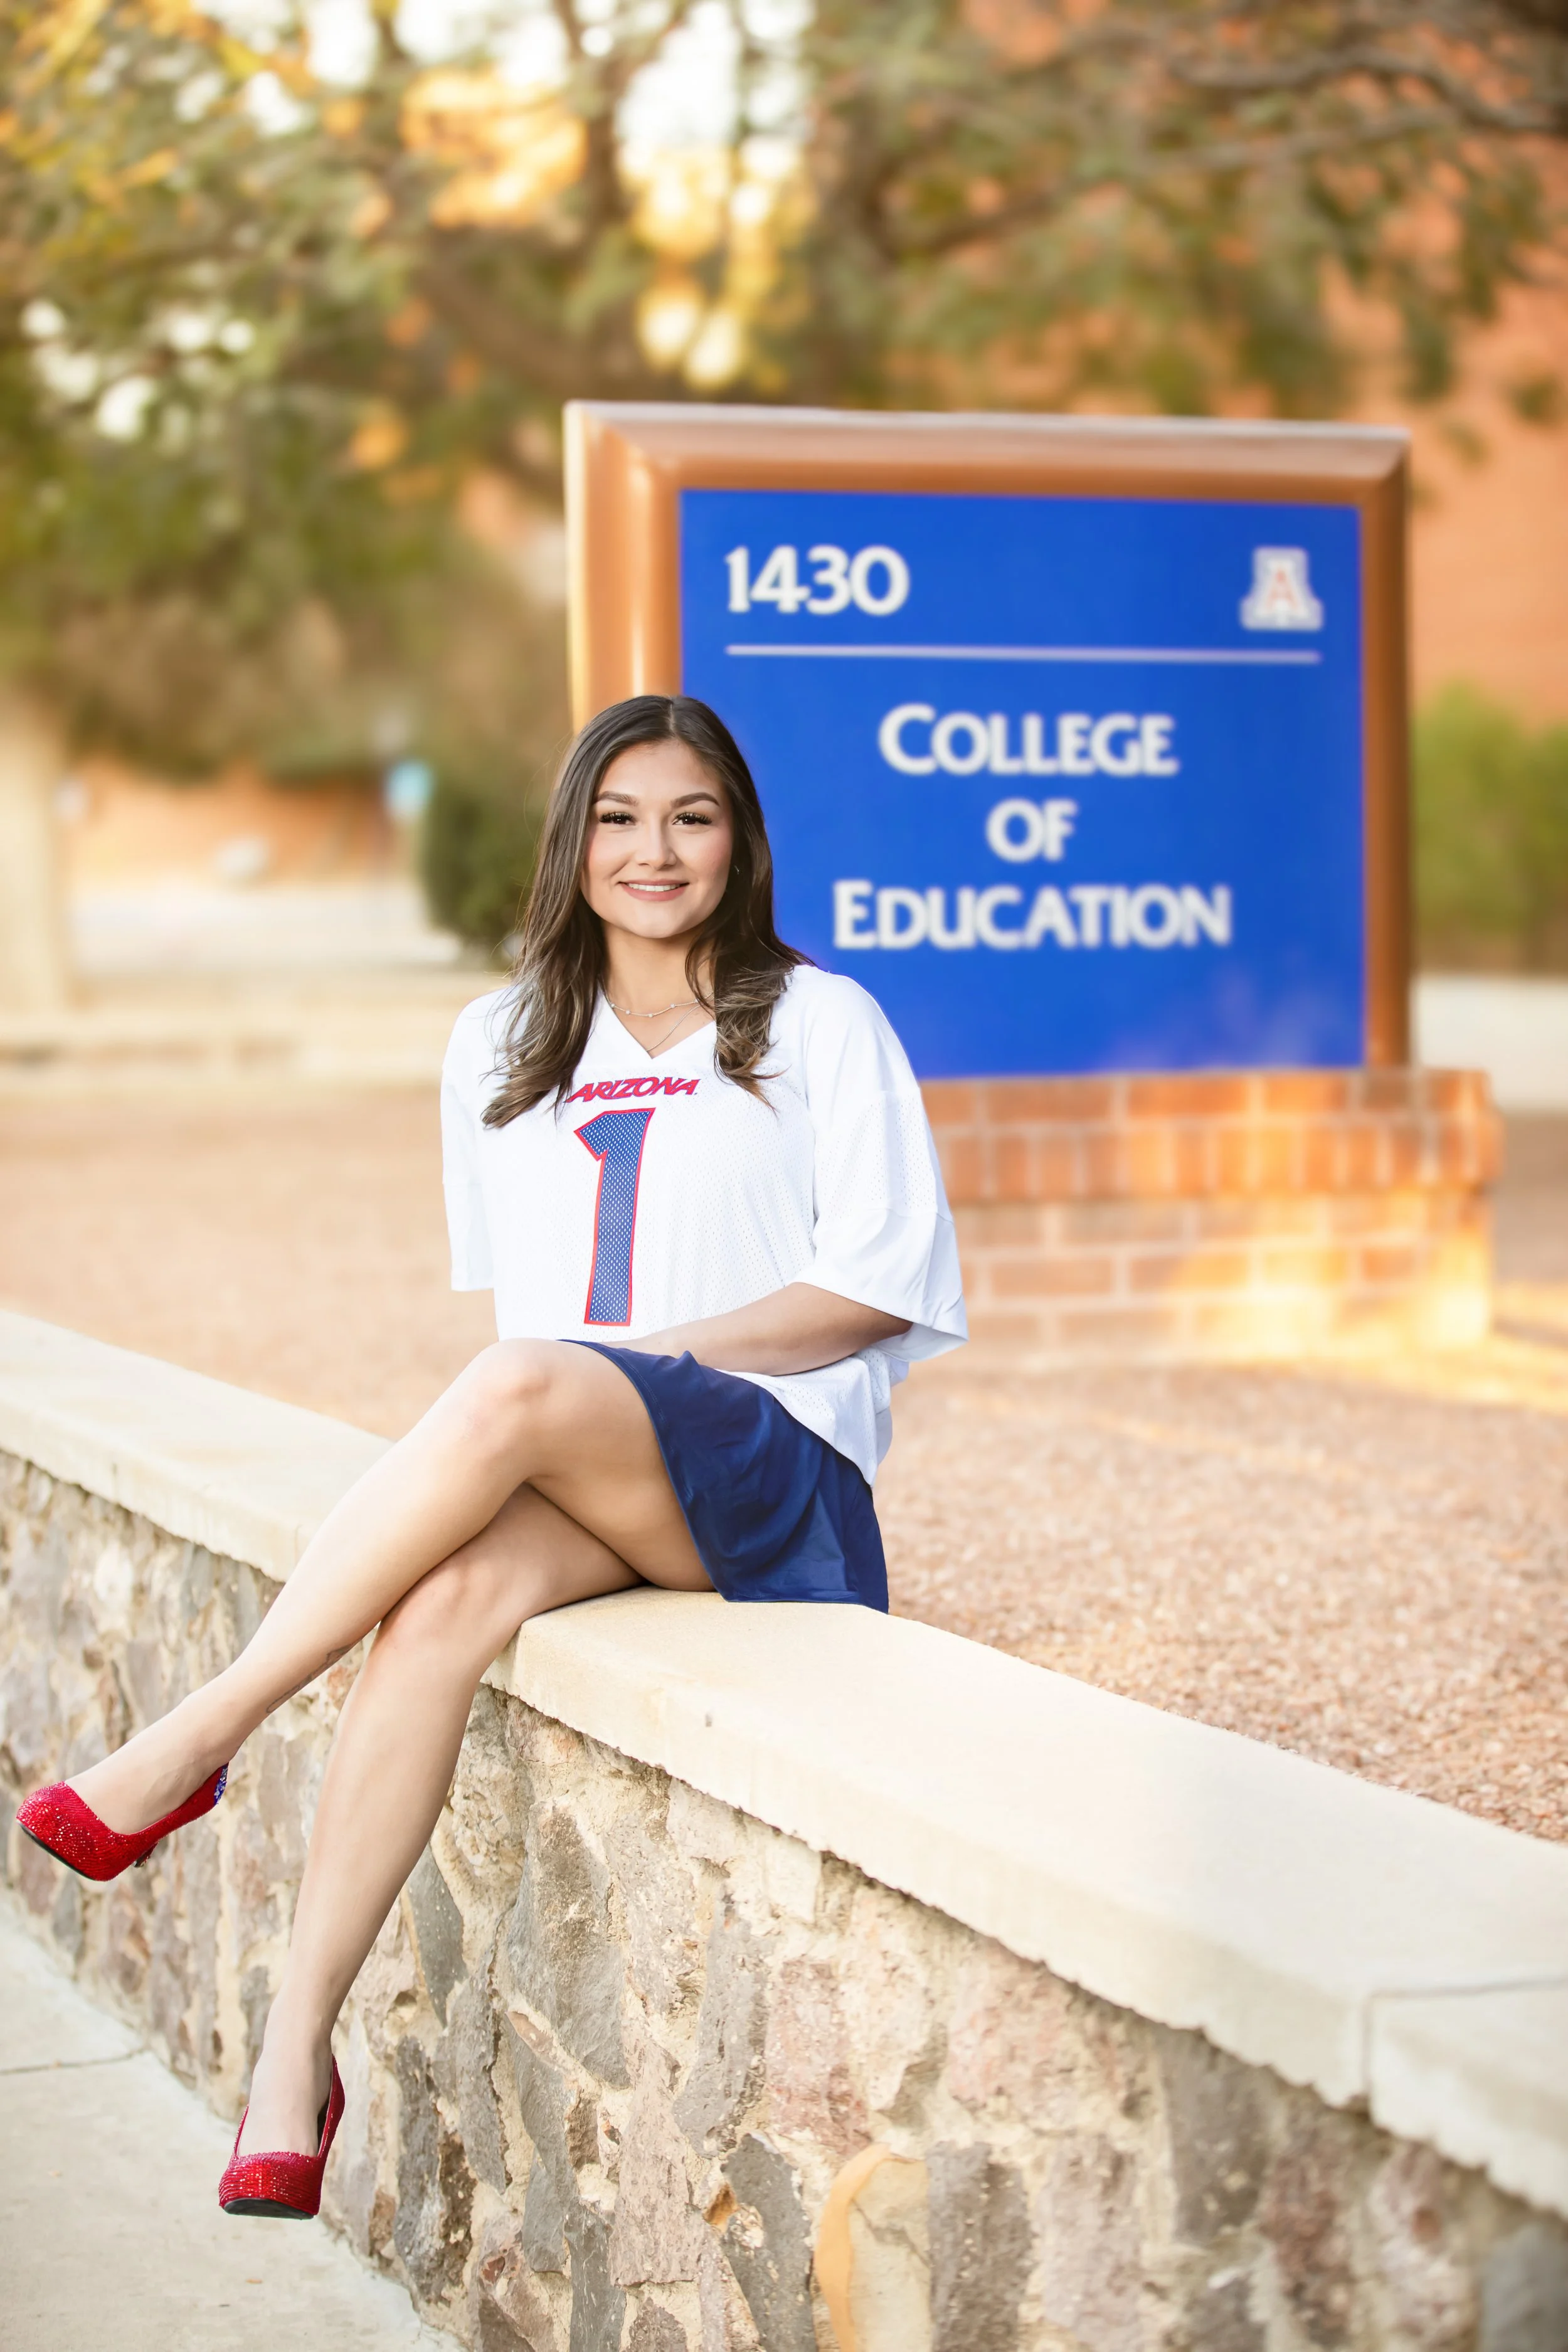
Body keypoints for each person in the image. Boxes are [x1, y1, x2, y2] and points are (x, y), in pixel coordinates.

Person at [16, 692, 967, 2218]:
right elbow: (529, 1301)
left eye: (691, 818)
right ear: (571, 840)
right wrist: (575, 1389)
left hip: (774, 1466)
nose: (654, 851)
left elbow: (870, 1290)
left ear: (740, 841)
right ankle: (291, 2055)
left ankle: (201, 1732)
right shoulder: (498, 1039)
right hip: (595, 1459)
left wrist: (636, 1363)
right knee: (441, 1610)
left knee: (522, 1378)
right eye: (619, 818)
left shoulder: (817, 1021)